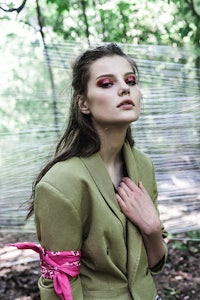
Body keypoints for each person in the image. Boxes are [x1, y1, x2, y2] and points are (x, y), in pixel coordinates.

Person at [13, 43, 168, 300]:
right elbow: (57, 286)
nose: (124, 88)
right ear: (83, 103)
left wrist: (152, 228)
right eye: (106, 83)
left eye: (130, 80)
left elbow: (155, 264)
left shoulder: (143, 166)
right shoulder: (61, 184)